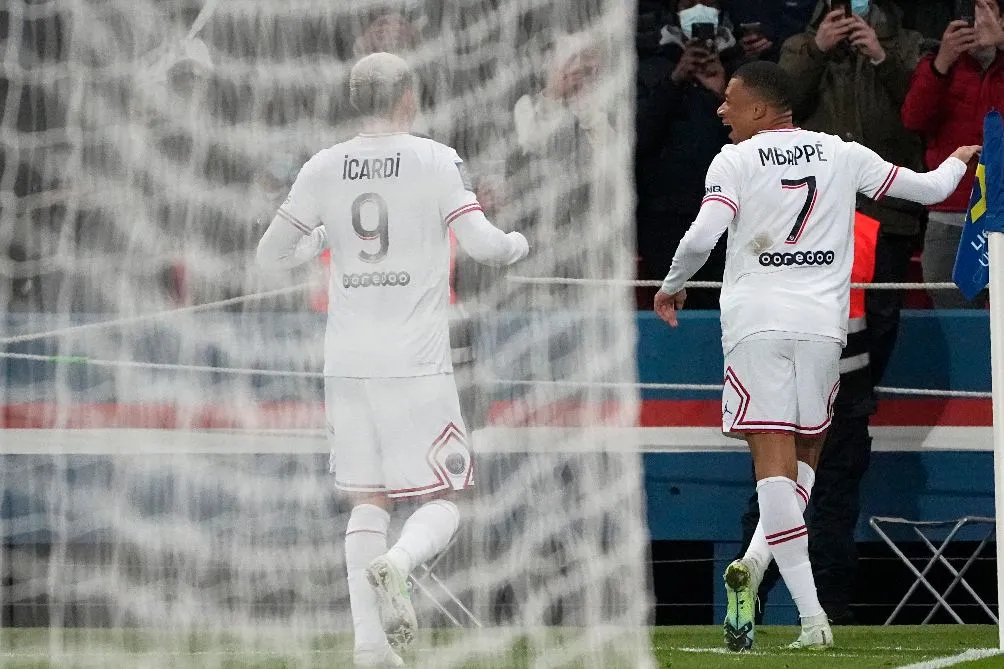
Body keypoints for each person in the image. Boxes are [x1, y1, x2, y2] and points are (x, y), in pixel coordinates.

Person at [653, 60, 978, 651]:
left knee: (772, 468)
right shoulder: (842, 153)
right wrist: (961, 157)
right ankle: (753, 566)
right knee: (805, 461)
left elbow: (703, 236)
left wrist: (673, 281)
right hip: (824, 331)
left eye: (730, 100)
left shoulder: (734, 160)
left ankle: (811, 619)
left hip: (757, 326)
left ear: (761, 109)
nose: (721, 109)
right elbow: (931, 189)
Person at [256, 52, 529, 668]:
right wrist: (519, 244)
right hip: (416, 360)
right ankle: (399, 565)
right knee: (443, 497)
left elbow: (269, 257)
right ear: (409, 95)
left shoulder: (323, 166)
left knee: (367, 500)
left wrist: (322, 241)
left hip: (347, 360)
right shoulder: (435, 159)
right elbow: (484, 247)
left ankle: (369, 650)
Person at [779, 0, 924, 388]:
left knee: (881, 314)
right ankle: (824, 401)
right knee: (817, 312)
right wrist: (817, 50)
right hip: (817, 211)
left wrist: (881, 56)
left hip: (887, 209)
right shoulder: (799, 46)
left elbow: (922, 107)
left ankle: (859, 398)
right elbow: (779, 107)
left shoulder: (907, 43)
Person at [635, 0, 743, 308]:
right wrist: (674, 80)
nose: (698, 6)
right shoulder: (648, 65)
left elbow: (757, 144)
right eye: (688, 1)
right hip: (664, 220)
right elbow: (638, 138)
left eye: (707, 1)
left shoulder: (742, 67)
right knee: (672, 316)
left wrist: (722, 93)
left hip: (729, 218)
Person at [902, 0, 1004, 308]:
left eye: (986, 10)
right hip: (951, 214)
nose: (977, 22)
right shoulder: (936, 65)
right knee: (952, 320)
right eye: (970, 13)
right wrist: (942, 62)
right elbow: (913, 119)